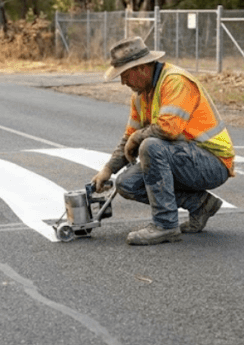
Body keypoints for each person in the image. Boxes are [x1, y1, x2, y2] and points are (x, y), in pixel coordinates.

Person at [91, 36, 235, 245]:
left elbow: (169, 129)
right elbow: (129, 136)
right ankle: (201, 204)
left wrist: (137, 137)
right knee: (126, 184)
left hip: (213, 162)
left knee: (150, 146)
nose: (123, 82)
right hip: (185, 159)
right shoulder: (141, 95)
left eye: (124, 75)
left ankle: (165, 225)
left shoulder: (175, 81)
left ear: (141, 68)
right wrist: (107, 170)